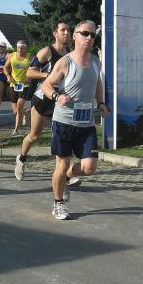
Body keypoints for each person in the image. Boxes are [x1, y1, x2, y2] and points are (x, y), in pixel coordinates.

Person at [41, 20, 109, 220]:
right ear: (75, 36)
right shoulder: (65, 62)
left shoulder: (96, 61)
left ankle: (67, 178)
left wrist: (101, 103)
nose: (89, 38)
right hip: (64, 122)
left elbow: (97, 84)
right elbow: (46, 85)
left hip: (86, 123)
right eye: (85, 33)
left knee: (90, 167)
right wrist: (57, 96)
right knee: (61, 165)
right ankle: (58, 203)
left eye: (92, 35)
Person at [14, 20, 70, 180]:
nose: (67, 33)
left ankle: (63, 175)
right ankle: (21, 158)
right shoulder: (47, 51)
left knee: (61, 136)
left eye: (68, 30)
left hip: (60, 100)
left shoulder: (70, 54)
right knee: (34, 135)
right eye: (63, 30)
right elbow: (30, 73)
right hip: (43, 99)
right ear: (55, 33)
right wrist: (48, 76)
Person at [4, 39, 31, 137]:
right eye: (19, 48)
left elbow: (35, 69)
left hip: (25, 85)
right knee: (15, 111)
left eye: (22, 48)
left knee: (19, 105)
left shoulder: (29, 57)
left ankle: (16, 130)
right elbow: (5, 68)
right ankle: (25, 113)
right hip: (14, 84)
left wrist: (29, 77)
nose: (20, 50)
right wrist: (8, 76)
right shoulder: (12, 56)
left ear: (26, 48)